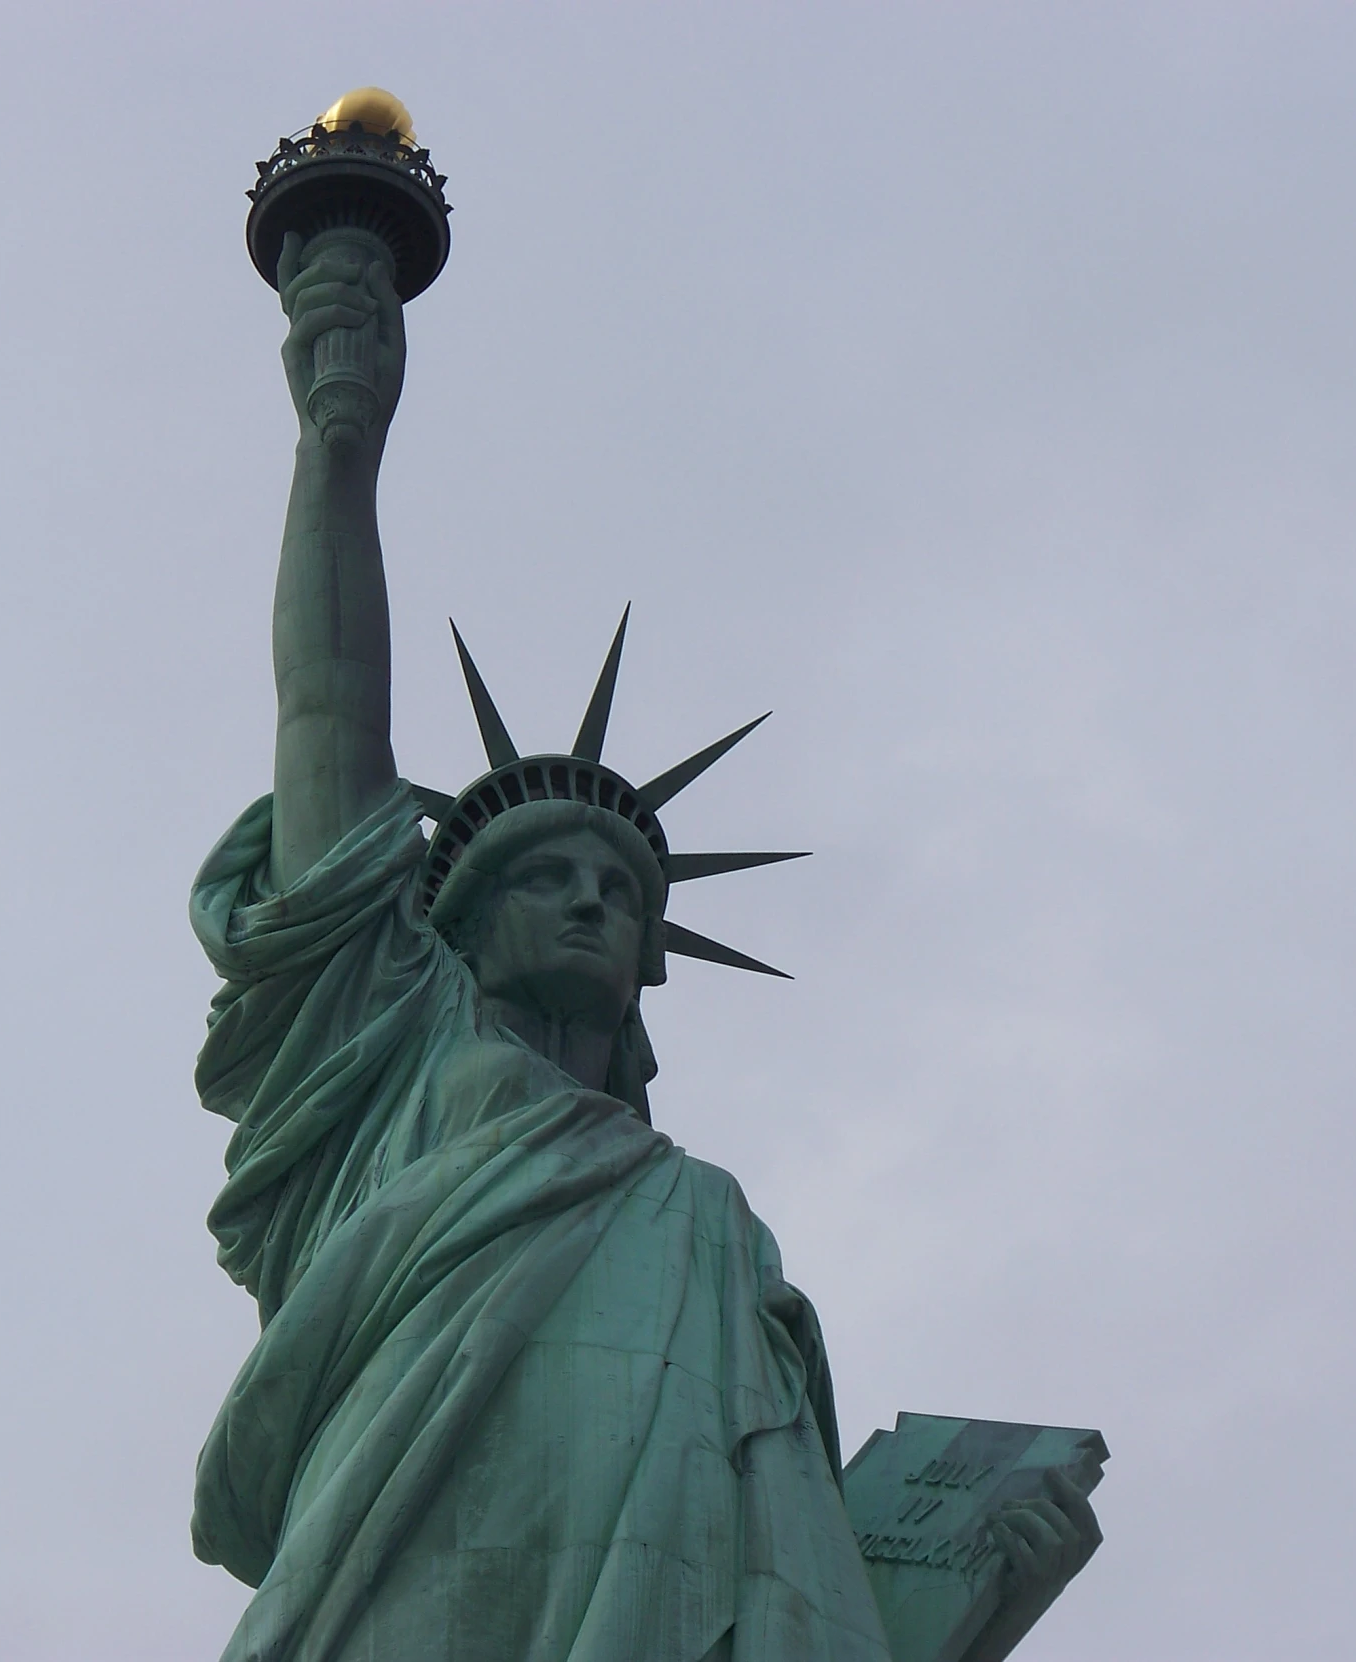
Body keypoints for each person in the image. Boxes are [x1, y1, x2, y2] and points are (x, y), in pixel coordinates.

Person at [189, 232, 1097, 1662]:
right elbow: (325, 714)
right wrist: (338, 436)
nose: (593, 900)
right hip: (406, 1577)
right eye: (543, 875)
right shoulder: (388, 1068)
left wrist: (988, 1598)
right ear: (451, 921)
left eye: (617, 886)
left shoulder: (715, 1229)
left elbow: (792, 1590)